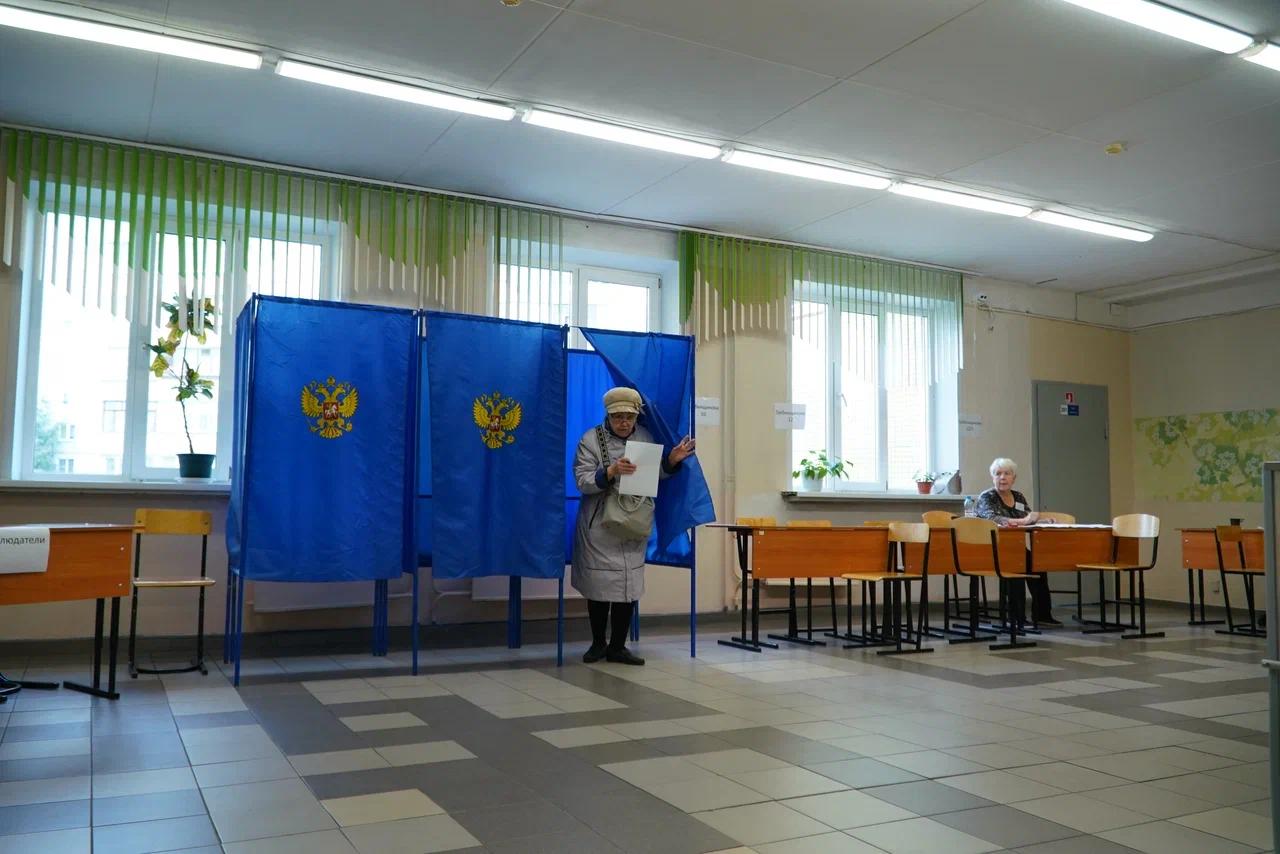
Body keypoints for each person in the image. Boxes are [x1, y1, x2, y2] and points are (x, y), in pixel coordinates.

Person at [572, 387, 696, 665]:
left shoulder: (645, 437)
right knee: (599, 585)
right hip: (600, 525)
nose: (624, 422)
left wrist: (671, 461)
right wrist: (611, 471)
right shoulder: (591, 440)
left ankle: (618, 646)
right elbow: (582, 480)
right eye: (618, 417)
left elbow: (653, 474)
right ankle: (598, 643)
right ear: (608, 415)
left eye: (629, 417)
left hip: (633, 522)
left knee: (627, 587)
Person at [974, 457, 1059, 625]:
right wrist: (1023, 521)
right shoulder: (987, 497)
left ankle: (1042, 615)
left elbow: (1027, 517)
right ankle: (1016, 618)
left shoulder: (1018, 496)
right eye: (998, 474)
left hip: (1014, 547)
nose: (1002, 478)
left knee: (1037, 565)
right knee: (1016, 564)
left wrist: (1043, 521)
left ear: (1014, 478)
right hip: (991, 547)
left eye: (1007, 473)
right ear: (992, 477)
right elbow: (992, 518)